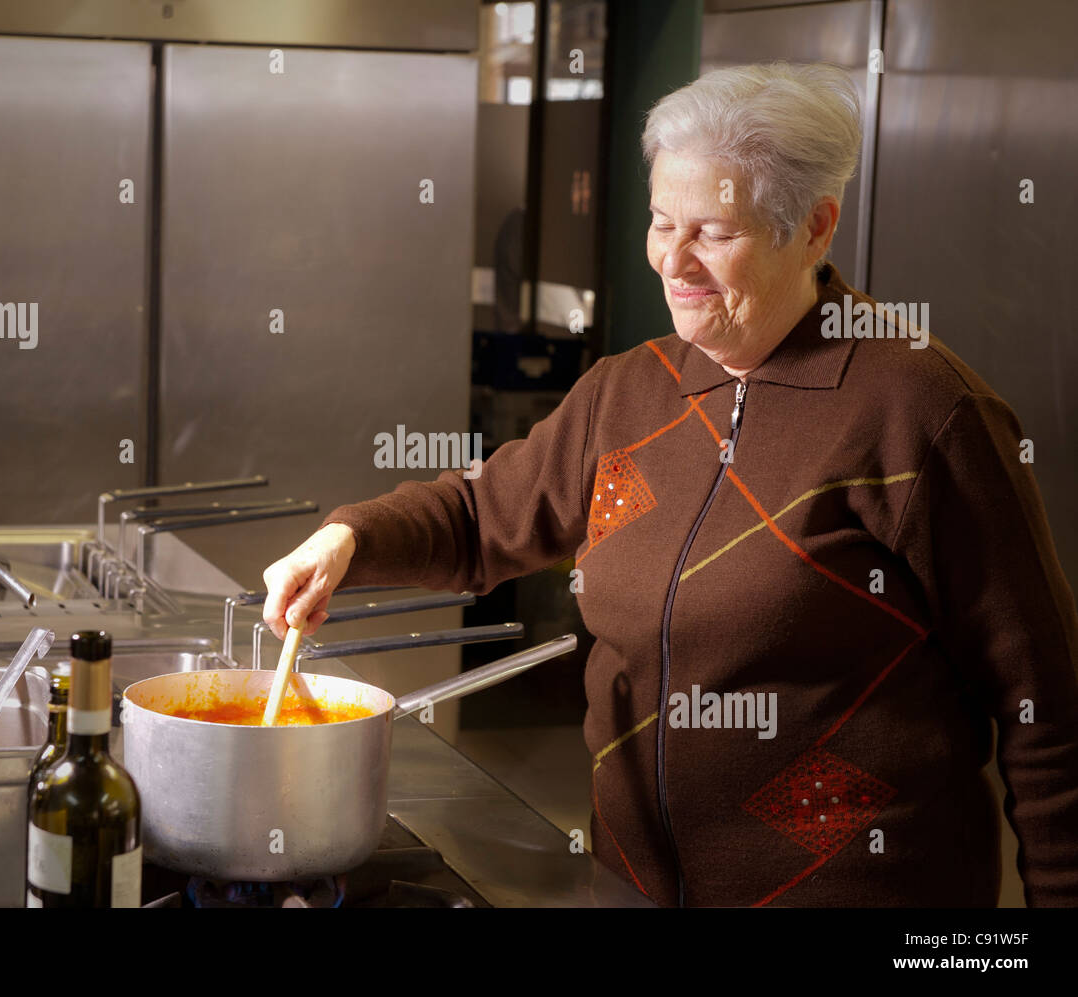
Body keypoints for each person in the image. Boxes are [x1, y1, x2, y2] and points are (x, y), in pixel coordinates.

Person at [261, 62, 1078, 906]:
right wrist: (347, 539)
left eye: (714, 233)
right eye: (660, 222)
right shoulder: (630, 389)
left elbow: (1045, 704)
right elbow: (479, 513)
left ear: (815, 227)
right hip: (630, 882)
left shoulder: (920, 408)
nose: (673, 260)